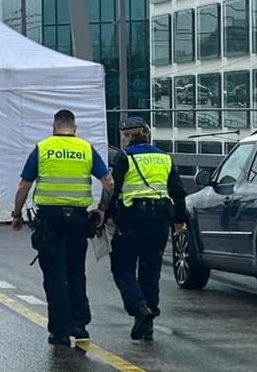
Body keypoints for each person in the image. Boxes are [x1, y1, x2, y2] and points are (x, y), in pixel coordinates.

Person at [11, 109, 114, 346]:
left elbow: (24, 185)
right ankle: (79, 325)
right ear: (74, 128)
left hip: (50, 220)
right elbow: (108, 181)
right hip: (78, 220)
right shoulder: (86, 149)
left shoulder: (43, 148)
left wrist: (17, 214)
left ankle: (59, 331)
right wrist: (102, 209)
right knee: (76, 271)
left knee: (54, 275)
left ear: (54, 126)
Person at [107, 116, 186, 341]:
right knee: (151, 271)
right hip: (160, 220)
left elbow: (113, 191)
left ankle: (139, 308)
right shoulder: (164, 157)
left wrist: (104, 216)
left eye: (122, 135)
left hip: (132, 219)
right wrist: (179, 221)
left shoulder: (125, 157)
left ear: (128, 135)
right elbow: (178, 191)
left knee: (122, 267)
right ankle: (148, 322)